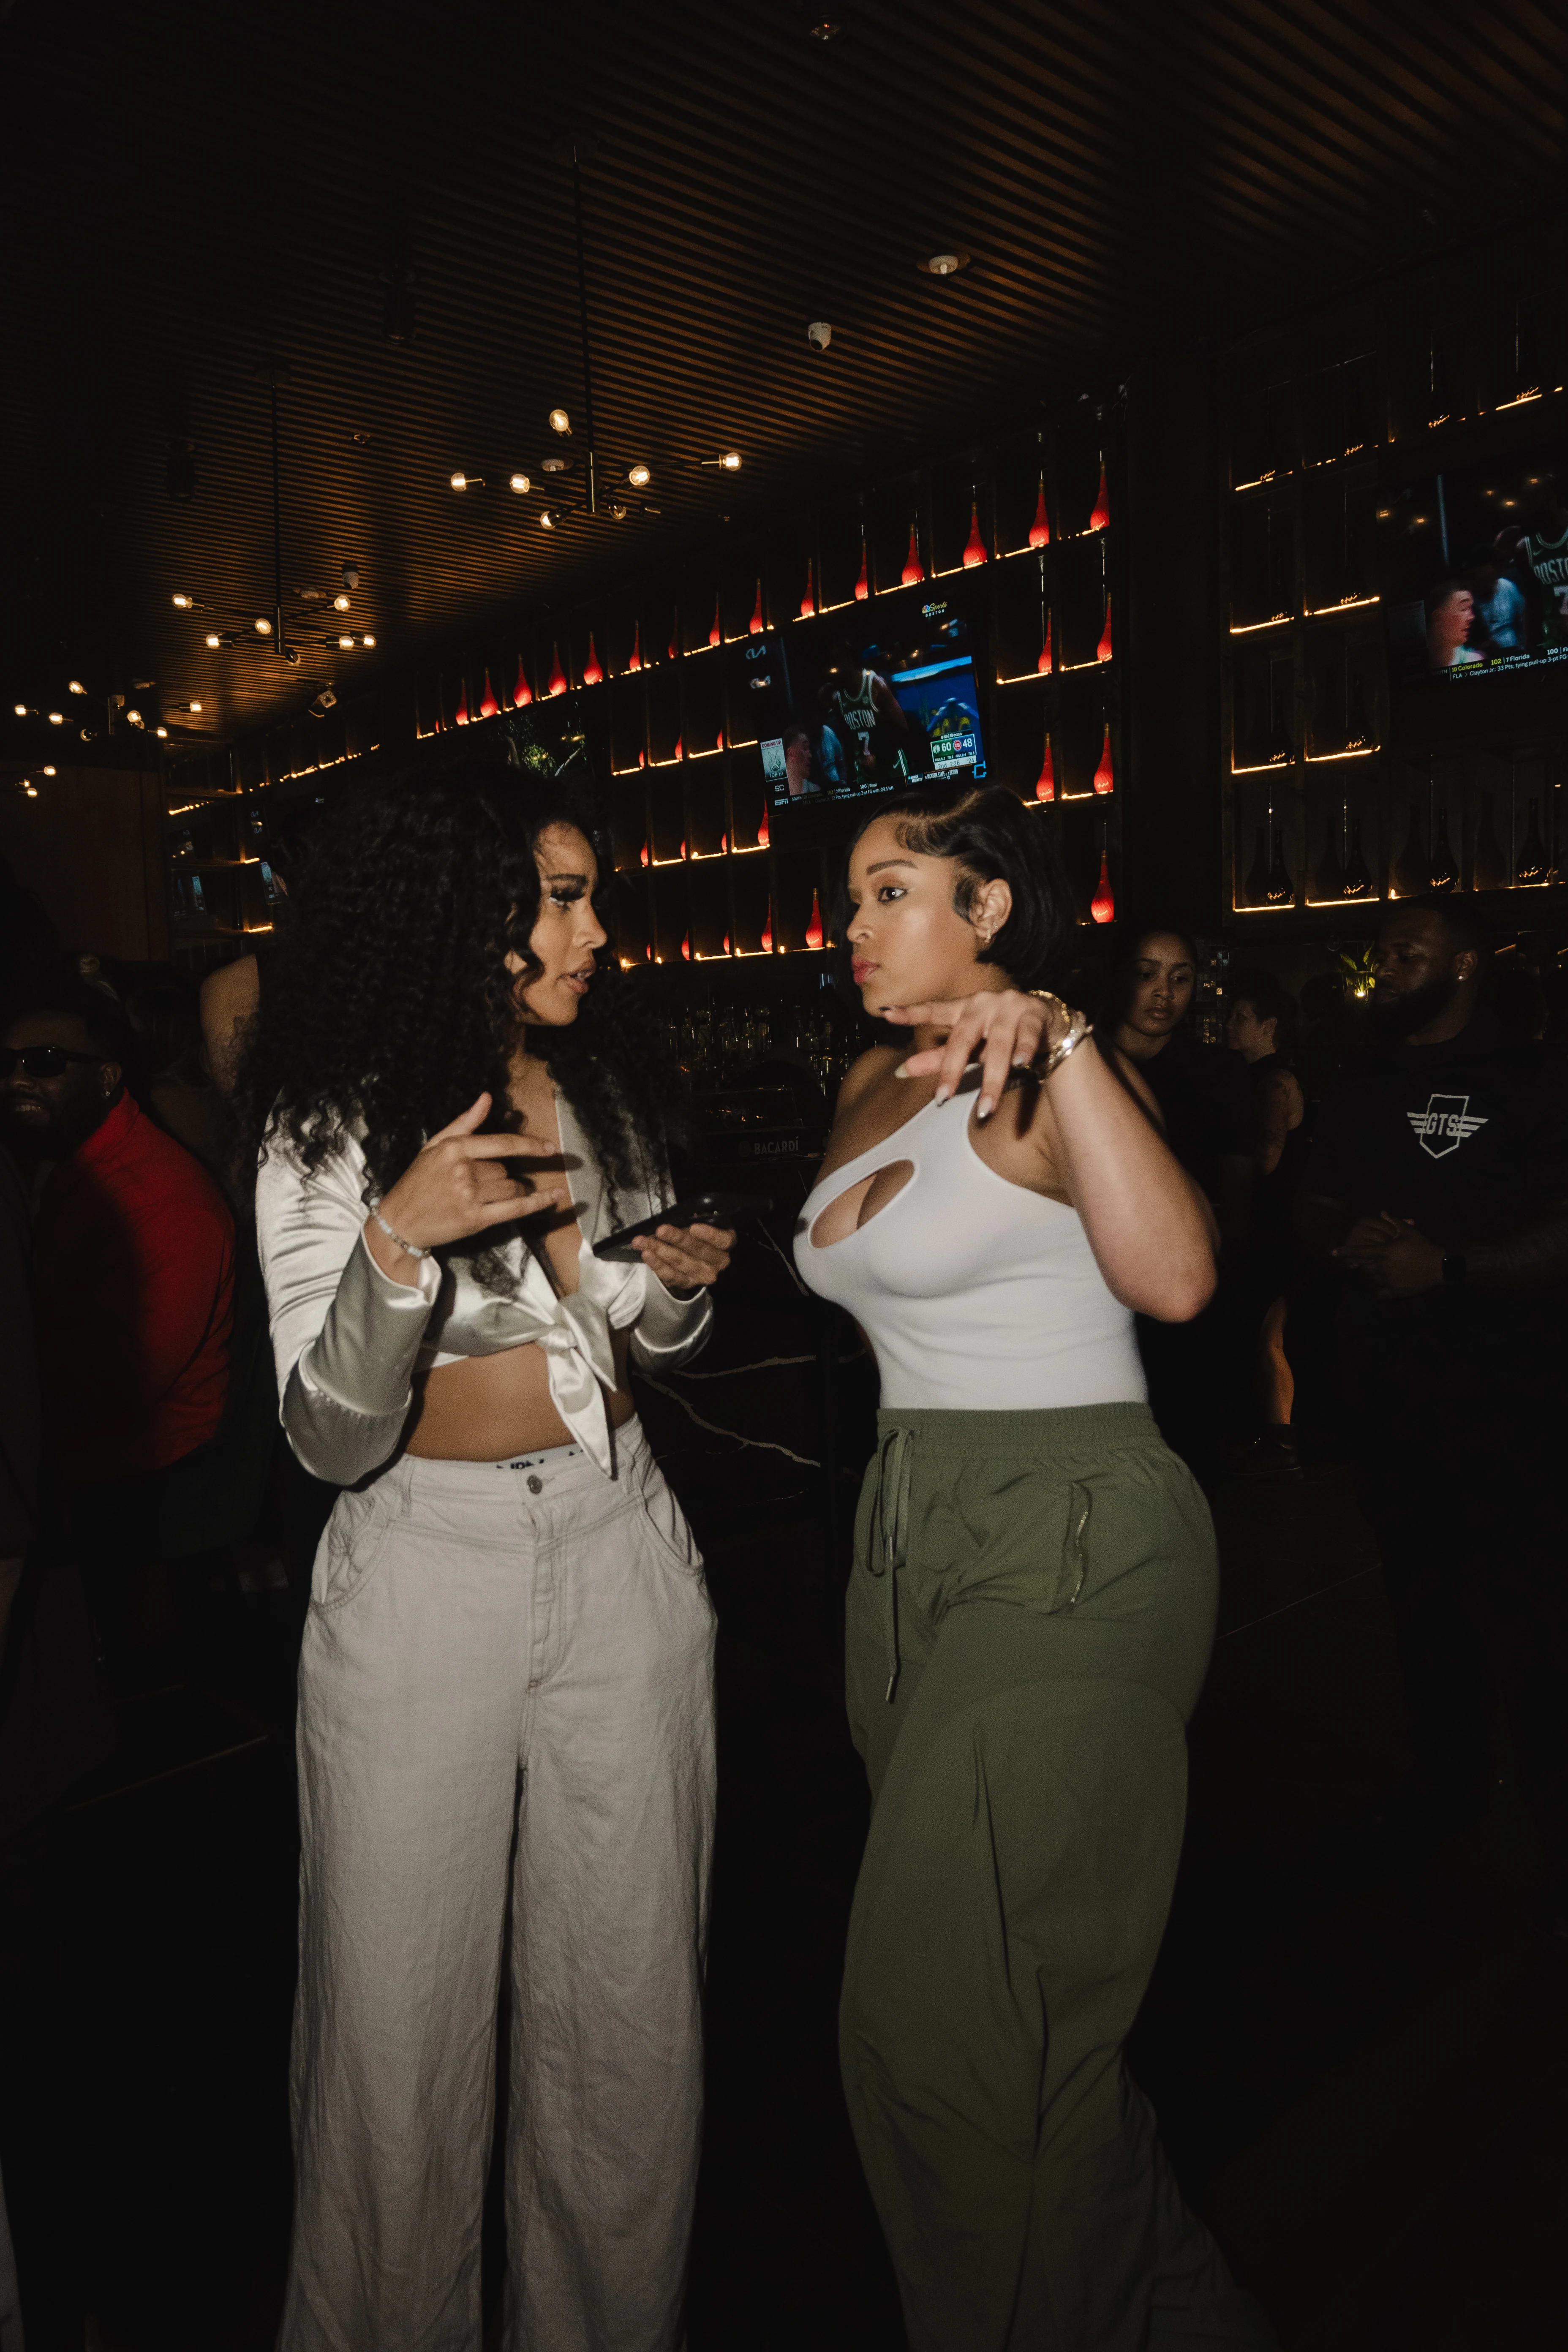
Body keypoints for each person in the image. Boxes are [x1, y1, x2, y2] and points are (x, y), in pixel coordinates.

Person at [241, 766, 733, 2352]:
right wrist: (397, 1239)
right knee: (396, 2033)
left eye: (594, 896)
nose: (597, 931)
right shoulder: (330, 1121)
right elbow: (326, 1436)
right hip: (422, 1574)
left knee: (631, 2021)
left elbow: (635, 1342)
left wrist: (674, 1288)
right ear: (468, 916)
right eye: (565, 898)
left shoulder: (605, 1096)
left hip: (620, 1546)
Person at [796, 782, 1277, 2351]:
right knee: (1031, 2032)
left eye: (889, 889)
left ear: (987, 904)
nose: (854, 924)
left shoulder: (1063, 1061)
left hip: (1076, 1537)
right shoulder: (867, 1076)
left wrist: (1066, 1043)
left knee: (933, 2022)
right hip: (908, 1538)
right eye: (850, 898)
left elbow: (1179, 1277)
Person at [1297, 895, 1568, 1946]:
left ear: (1462, 965)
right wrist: (1344, 1240)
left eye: (1407, 952)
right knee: (1420, 1611)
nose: (1386, 967)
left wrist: (1448, 1268)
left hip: (1510, 1405)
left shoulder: (1530, 1074)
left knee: (1530, 1625)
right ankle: (1442, 1793)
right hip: (1393, 1402)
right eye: (1382, 953)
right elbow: (1311, 1199)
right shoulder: (1363, 1076)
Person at [0, 983, 236, 1625]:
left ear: (106, 1079)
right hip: (86, 1445)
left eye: (45, 1063)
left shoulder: (162, 1198)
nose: (17, 1080)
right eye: (7, 1064)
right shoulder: (70, 1162)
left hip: (148, 1473)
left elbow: (127, 1380)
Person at [1108, 929, 1255, 1486]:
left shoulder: (1218, 1072)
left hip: (1186, 1283)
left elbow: (1238, 1191)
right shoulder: (1081, 1066)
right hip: (1094, 1283)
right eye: (1146, 974)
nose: (1163, 993)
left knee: (1185, 1453)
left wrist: (1224, 1284)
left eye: (1180, 978)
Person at [1226, 969, 1306, 1471]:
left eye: (1242, 1017)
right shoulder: (1253, 1079)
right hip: (1263, 1223)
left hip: (1275, 1225)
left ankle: (1280, 1436)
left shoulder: (1273, 1082)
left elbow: (1268, 1160)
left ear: (1269, 1026)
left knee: (1269, 1332)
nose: (1230, 1025)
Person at [1424, 579, 1484, 669]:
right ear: (1438, 618)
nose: (1472, 617)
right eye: (1464, 609)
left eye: (1471, 608)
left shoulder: (1473, 661)